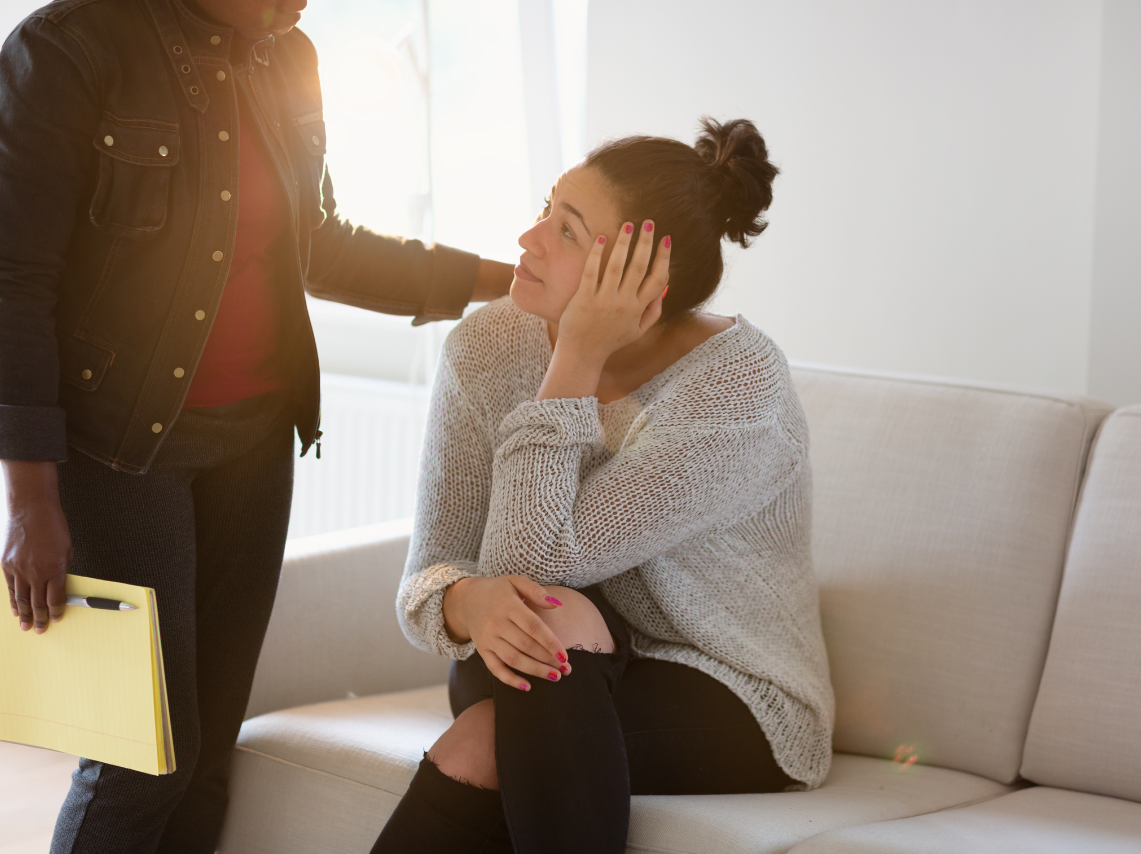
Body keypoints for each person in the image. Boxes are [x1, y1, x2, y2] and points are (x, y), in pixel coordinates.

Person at [0, 0, 512, 851]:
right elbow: (12, 281)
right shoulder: (70, 47)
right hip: (119, 450)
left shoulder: (289, 55)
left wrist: (509, 280)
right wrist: (29, 497)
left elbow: (322, 246)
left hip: (257, 442)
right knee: (146, 757)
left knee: (209, 753)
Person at [372, 118, 836, 853]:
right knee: (545, 626)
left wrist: (576, 360)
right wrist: (468, 599)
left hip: (723, 687)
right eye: (546, 209)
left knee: (491, 726)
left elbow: (539, 560)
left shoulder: (737, 387)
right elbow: (431, 572)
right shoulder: (486, 347)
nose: (527, 240)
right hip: (533, 646)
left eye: (567, 232)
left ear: (645, 279)